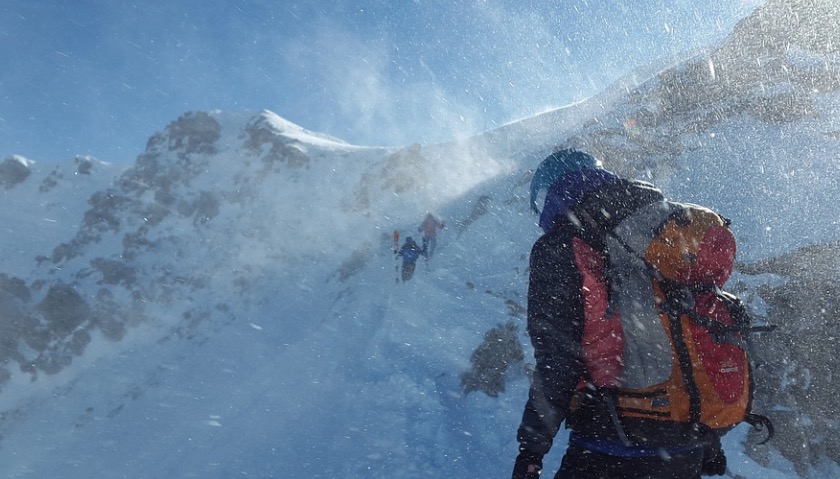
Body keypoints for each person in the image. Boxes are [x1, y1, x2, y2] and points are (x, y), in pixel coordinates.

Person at [512, 149, 725, 479]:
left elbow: (558, 360)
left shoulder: (561, 246)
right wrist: (708, 438)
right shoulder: (658, 228)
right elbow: (690, 332)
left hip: (612, 440)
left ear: (553, 192)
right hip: (685, 446)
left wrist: (531, 449)